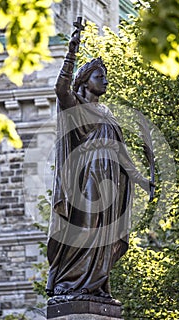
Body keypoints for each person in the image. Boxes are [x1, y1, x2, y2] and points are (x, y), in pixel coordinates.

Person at [46, 23, 154, 303]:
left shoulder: (106, 112)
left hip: (111, 179)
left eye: (105, 76)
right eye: (99, 76)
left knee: (105, 232)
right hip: (87, 176)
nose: (105, 81)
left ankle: (95, 284)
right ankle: (69, 281)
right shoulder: (75, 106)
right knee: (87, 224)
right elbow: (60, 87)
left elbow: (120, 151)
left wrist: (141, 180)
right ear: (84, 81)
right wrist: (71, 54)